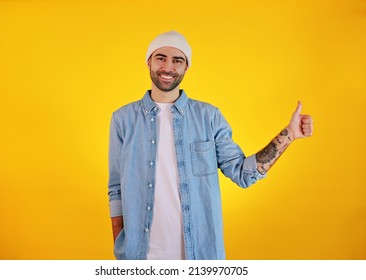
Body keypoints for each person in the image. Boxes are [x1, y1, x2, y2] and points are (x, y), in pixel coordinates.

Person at [108, 31, 313, 260]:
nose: (168, 67)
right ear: (148, 61)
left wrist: (289, 135)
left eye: (178, 60)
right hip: (140, 256)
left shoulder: (209, 117)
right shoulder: (123, 119)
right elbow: (116, 187)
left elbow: (242, 174)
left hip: (201, 255)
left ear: (186, 67)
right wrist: (122, 242)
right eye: (161, 58)